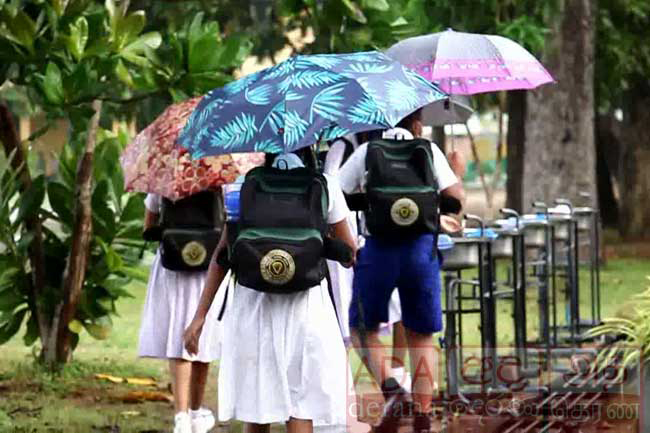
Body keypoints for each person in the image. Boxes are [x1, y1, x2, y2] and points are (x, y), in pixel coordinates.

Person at [184, 152, 358, 433]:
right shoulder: (325, 184)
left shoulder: (242, 187)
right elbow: (349, 253)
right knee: (301, 404)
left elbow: (223, 255)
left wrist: (200, 316)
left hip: (254, 307)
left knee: (257, 403)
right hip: (307, 307)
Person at [339, 109, 466, 433]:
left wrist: (365, 201)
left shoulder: (367, 152)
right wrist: (454, 175)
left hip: (378, 249)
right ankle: (422, 418)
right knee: (421, 334)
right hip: (420, 250)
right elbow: (455, 199)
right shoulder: (428, 150)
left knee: (362, 328)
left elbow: (336, 193)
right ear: (417, 124)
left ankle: (391, 389)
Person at [324, 133, 412, 389]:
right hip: (359, 236)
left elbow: (331, 190)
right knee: (358, 313)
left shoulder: (371, 145)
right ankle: (387, 376)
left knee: (386, 311)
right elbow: (333, 188)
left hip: (372, 236)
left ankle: (396, 372)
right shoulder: (346, 146)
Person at [138, 193, 225, 433]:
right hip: (209, 269)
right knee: (203, 337)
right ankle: (196, 411)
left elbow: (149, 226)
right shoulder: (219, 180)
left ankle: (181, 416)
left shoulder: (166, 179)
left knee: (178, 335)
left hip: (173, 264)